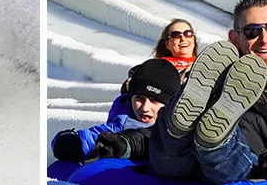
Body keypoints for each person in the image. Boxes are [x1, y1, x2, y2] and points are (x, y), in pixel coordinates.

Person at [85, 0, 267, 185]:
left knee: (216, 149)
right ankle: (187, 135)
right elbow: (168, 124)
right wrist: (126, 143)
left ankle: (215, 139)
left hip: (251, 158)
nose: (265, 38)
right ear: (235, 38)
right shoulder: (219, 75)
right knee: (175, 135)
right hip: (186, 160)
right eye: (252, 31)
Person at [51, 58, 181, 163]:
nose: (145, 108)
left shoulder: (180, 131)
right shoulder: (122, 123)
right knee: (62, 167)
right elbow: (93, 137)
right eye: (139, 99)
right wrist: (70, 142)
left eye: (154, 101)